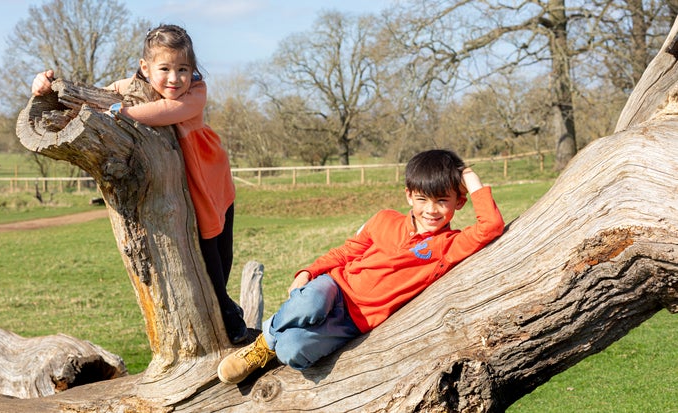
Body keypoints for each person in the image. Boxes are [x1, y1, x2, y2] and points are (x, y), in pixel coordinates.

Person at [31, 24, 248, 345]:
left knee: (223, 250)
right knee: (207, 252)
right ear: (146, 67)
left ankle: (224, 304)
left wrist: (123, 111)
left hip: (214, 177)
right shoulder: (133, 87)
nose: (175, 78)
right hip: (191, 191)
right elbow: (94, 95)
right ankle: (225, 313)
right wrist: (46, 89)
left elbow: (169, 109)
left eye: (183, 69)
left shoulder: (195, 92)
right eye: (165, 69)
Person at [217, 149, 505, 384]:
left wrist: (466, 174)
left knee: (293, 350)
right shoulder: (384, 219)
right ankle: (261, 347)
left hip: (357, 322)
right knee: (309, 304)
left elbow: (490, 225)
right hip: (336, 287)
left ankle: (275, 345)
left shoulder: (448, 245)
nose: (431, 209)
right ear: (408, 196)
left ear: (460, 201)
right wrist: (309, 271)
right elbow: (346, 252)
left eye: (443, 201)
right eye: (422, 199)